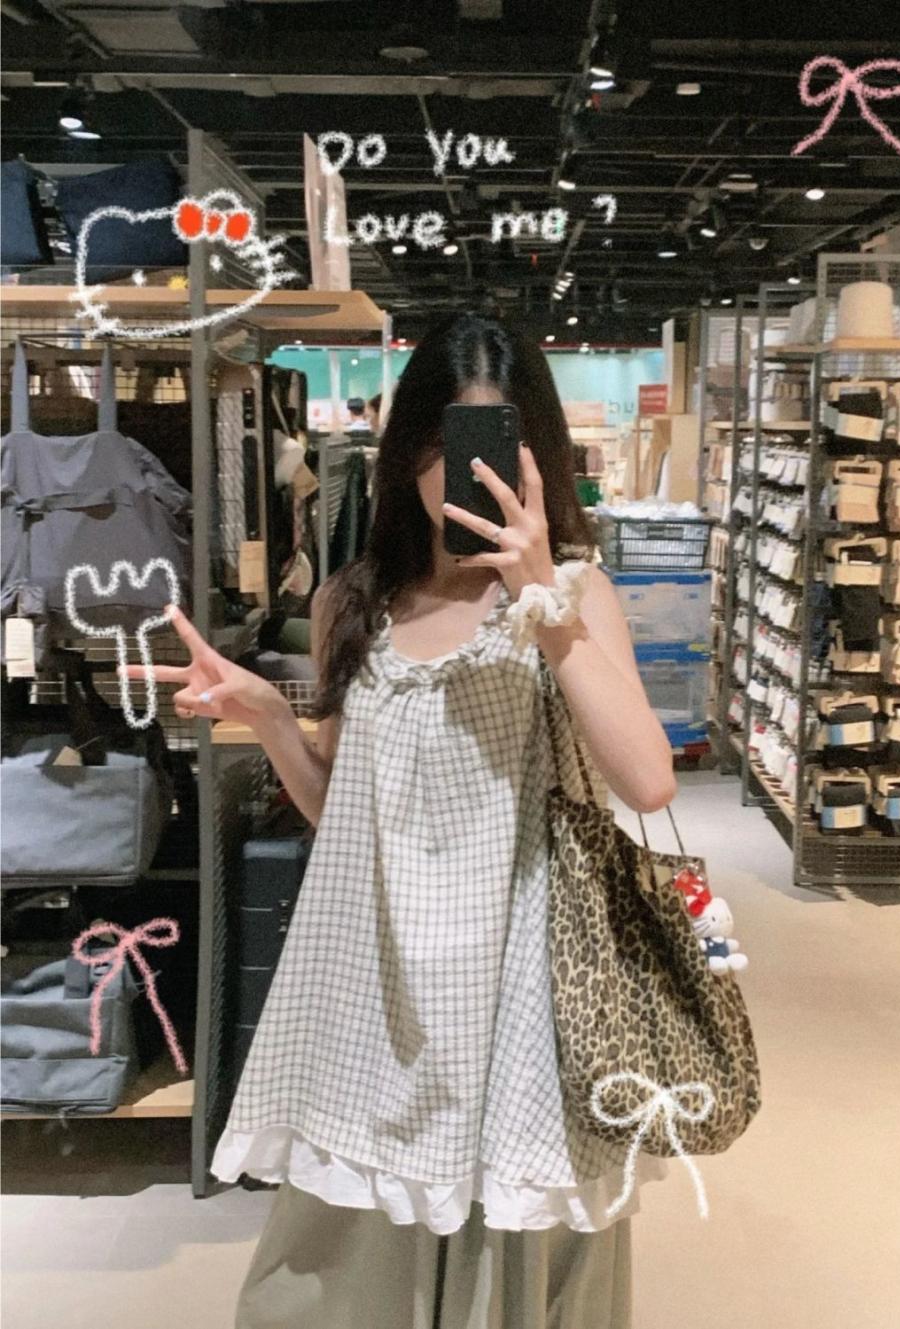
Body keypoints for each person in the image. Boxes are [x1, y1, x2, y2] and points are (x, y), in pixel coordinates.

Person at [127, 313, 676, 1329]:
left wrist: (540, 594)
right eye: (443, 446)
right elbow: (344, 812)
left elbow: (647, 781)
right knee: (341, 1266)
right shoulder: (356, 601)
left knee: (512, 1263)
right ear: (406, 452)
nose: (465, 477)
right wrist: (269, 716)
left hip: (520, 982)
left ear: (539, 458)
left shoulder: (574, 594)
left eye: (497, 447)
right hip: (377, 981)